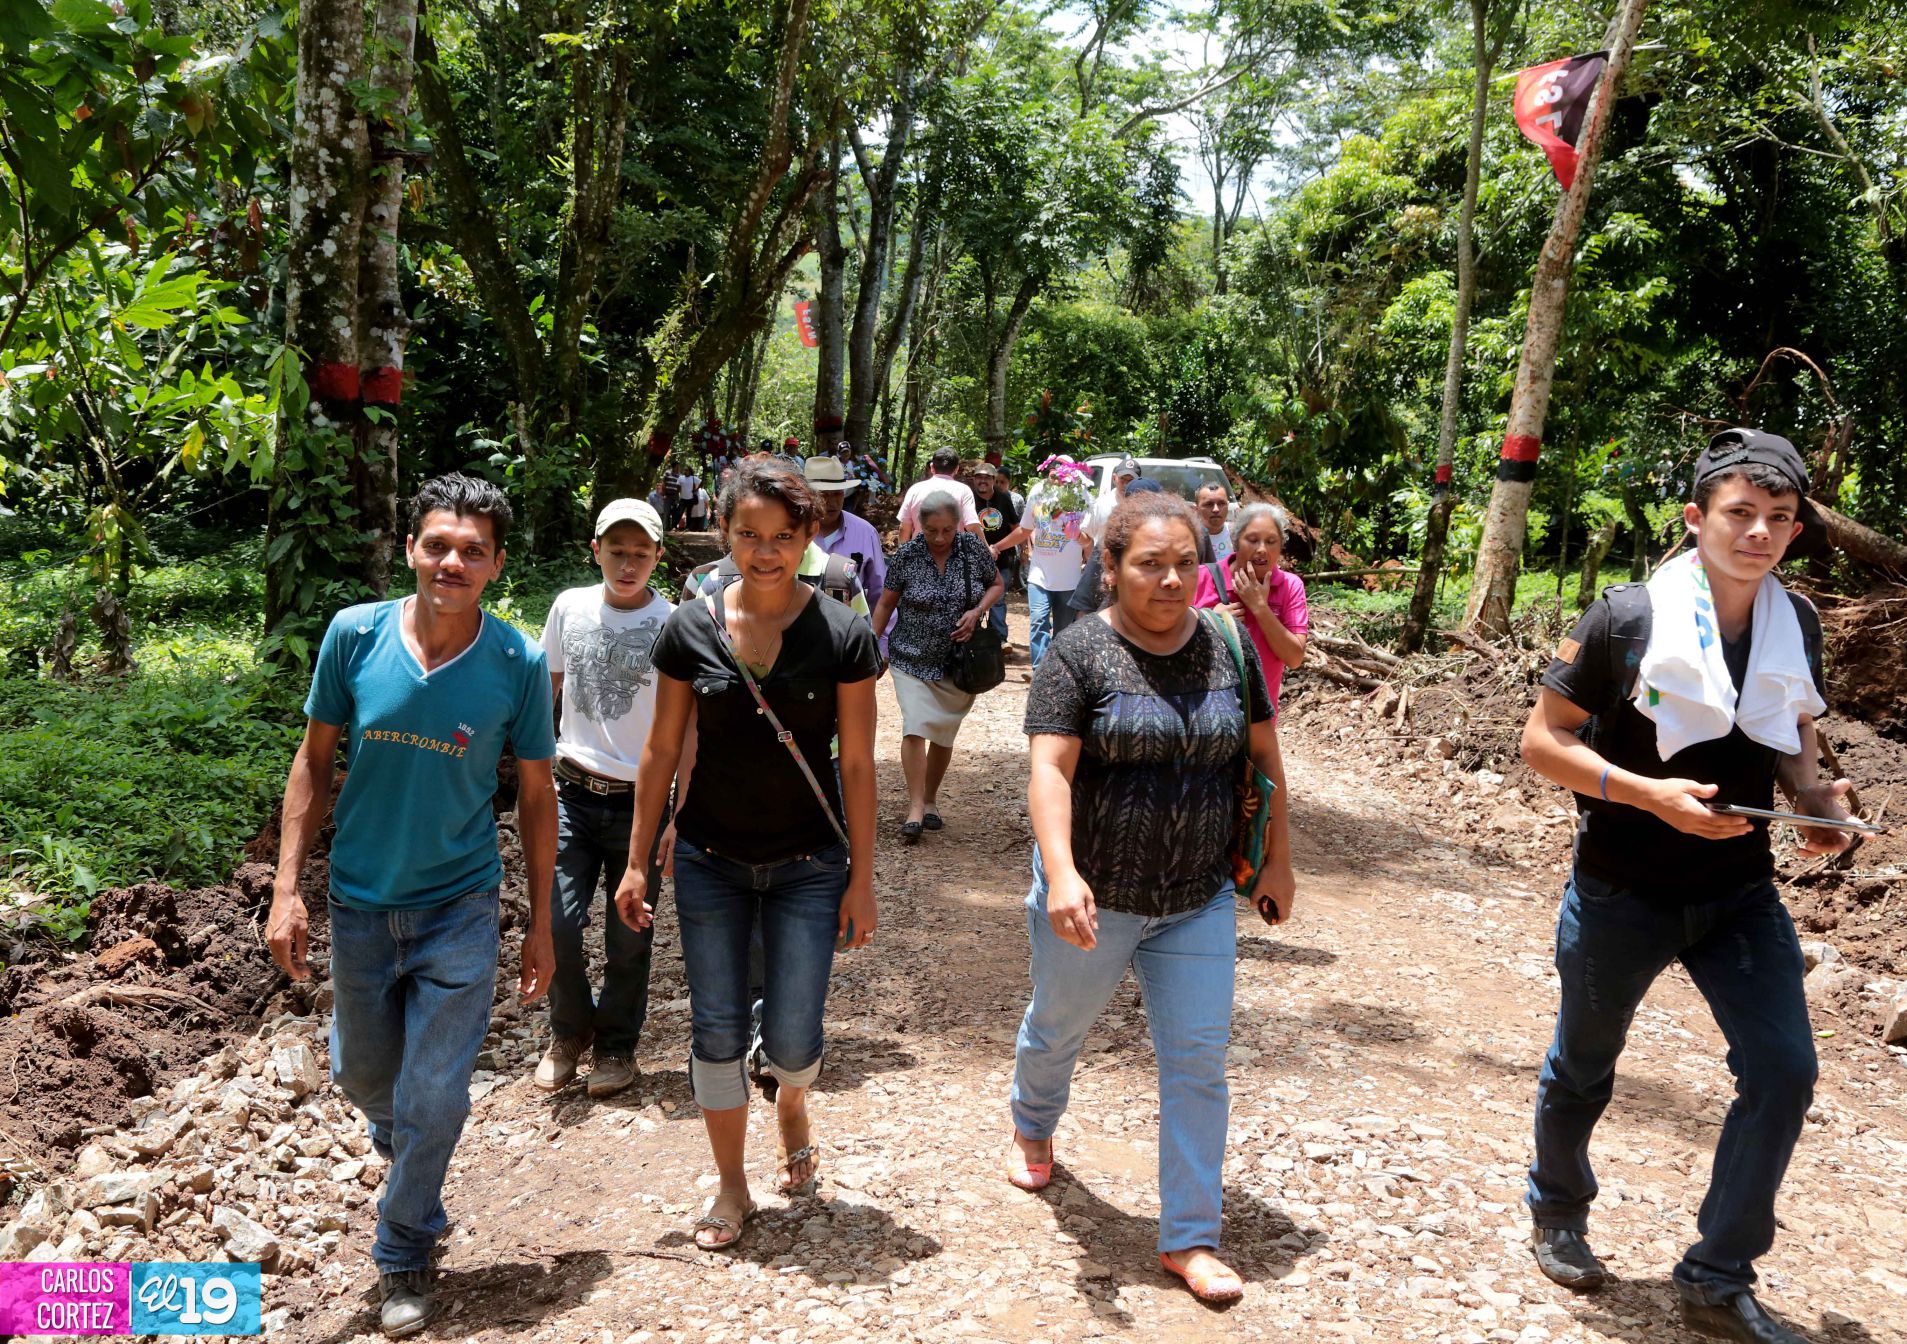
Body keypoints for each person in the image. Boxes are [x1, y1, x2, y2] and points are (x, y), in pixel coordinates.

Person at [1518, 430, 1860, 1344]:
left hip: (1739, 889)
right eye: (1739, 514)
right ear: (1695, 519)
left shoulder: (1797, 625)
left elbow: (1790, 736)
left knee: (1785, 1069)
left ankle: (1716, 1275)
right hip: (1623, 885)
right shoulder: (1624, 619)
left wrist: (1816, 799)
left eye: (1777, 519)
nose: (1758, 534)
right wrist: (1645, 796)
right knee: (1584, 1062)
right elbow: (1542, 742)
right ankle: (1558, 1210)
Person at [266, 474, 556, 1337]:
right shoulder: (353, 637)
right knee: (362, 1075)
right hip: (358, 902)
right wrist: (287, 889)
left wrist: (541, 921)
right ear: (410, 551)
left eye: (472, 550)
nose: (452, 561)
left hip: (459, 905)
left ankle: (403, 1251)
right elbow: (313, 761)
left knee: (434, 1092)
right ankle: (416, 1161)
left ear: (497, 564)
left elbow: (537, 795)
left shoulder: (518, 662)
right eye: (438, 544)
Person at [1007, 490, 1295, 1305]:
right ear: (1111, 568)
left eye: (1182, 564)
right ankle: (1033, 1121)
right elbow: (1049, 771)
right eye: (1148, 565)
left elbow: (1265, 757)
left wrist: (1277, 860)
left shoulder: (1227, 645)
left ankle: (1191, 1237)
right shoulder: (1077, 654)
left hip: (1198, 896)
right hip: (1095, 896)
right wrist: (1061, 872)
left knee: (1197, 1063)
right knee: (1058, 1025)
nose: (1170, 581)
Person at [616, 460, 880, 1250]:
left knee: (794, 1041)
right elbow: (661, 750)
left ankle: (792, 1100)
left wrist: (863, 879)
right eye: (747, 536)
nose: (764, 553)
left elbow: (860, 765)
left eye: (782, 537)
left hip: (808, 864)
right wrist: (637, 861)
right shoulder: (687, 627)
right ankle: (731, 1186)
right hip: (708, 859)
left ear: (807, 539)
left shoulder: (842, 633)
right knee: (716, 1028)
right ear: (723, 535)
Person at [534, 498, 673, 1100]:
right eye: (617, 551)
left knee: (629, 933)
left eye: (640, 553)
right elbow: (549, 688)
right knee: (558, 922)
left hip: (641, 803)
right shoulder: (569, 607)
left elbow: (682, 723)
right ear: (596, 551)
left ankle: (617, 1043)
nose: (627, 563)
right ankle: (568, 1029)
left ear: (657, 558)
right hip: (571, 791)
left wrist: (680, 809)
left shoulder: (674, 622)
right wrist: (531, 772)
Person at [870, 492, 1003, 843]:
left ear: (958, 524)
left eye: (947, 530)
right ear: (920, 526)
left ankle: (930, 800)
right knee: (914, 726)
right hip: (910, 656)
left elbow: (997, 585)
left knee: (944, 733)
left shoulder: (972, 550)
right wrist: (870, 644)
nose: (940, 538)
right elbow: (886, 603)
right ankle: (915, 807)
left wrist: (977, 612)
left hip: (957, 662)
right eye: (932, 531)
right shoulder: (908, 555)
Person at [1192, 502, 1307, 704]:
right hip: (1205, 715)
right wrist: (1209, 621)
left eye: (1271, 541)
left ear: (1281, 546)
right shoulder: (1201, 579)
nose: (1262, 549)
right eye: (1252, 540)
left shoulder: (1290, 586)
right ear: (1236, 542)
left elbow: (1294, 658)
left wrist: (1260, 608)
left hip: (1260, 719)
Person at [1021, 468, 1090, 668]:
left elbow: (1089, 539)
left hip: (1069, 579)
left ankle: (1058, 671)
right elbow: (1026, 528)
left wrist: (1077, 536)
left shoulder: (1081, 495)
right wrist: (999, 546)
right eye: (1053, 475)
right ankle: (1040, 671)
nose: (1057, 480)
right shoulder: (1037, 492)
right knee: (1038, 622)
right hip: (1039, 575)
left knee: (1063, 630)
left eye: (1063, 476)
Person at [806, 456, 887, 606]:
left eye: (837, 494)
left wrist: (874, 629)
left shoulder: (865, 533)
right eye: (823, 494)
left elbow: (880, 591)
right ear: (808, 495)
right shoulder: (793, 533)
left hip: (853, 625)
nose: (831, 502)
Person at [970, 462, 1022, 640]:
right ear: (974, 479)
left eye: (986, 477)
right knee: (973, 598)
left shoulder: (1003, 498)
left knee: (998, 598)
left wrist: (1023, 551)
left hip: (1002, 557)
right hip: (974, 559)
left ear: (993, 479)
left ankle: (999, 639)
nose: (982, 481)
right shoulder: (968, 498)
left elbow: (1016, 527)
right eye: (979, 477)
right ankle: (973, 637)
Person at [897, 447, 982, 543]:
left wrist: (902, 554)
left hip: (920, 553)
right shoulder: (963, 491)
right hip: (953, 554)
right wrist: (987, 550)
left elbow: (904, 527)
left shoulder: (915, 490)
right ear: (957, 469)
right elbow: (972, 525)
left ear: (932, 467)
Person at [1195, 481, 1234, 561]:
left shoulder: (1238, 534)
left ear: (1228, 506)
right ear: (1196, 509)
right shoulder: (1190, 539)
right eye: (1209, 504)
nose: (1216, 509)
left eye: (1221, 503)